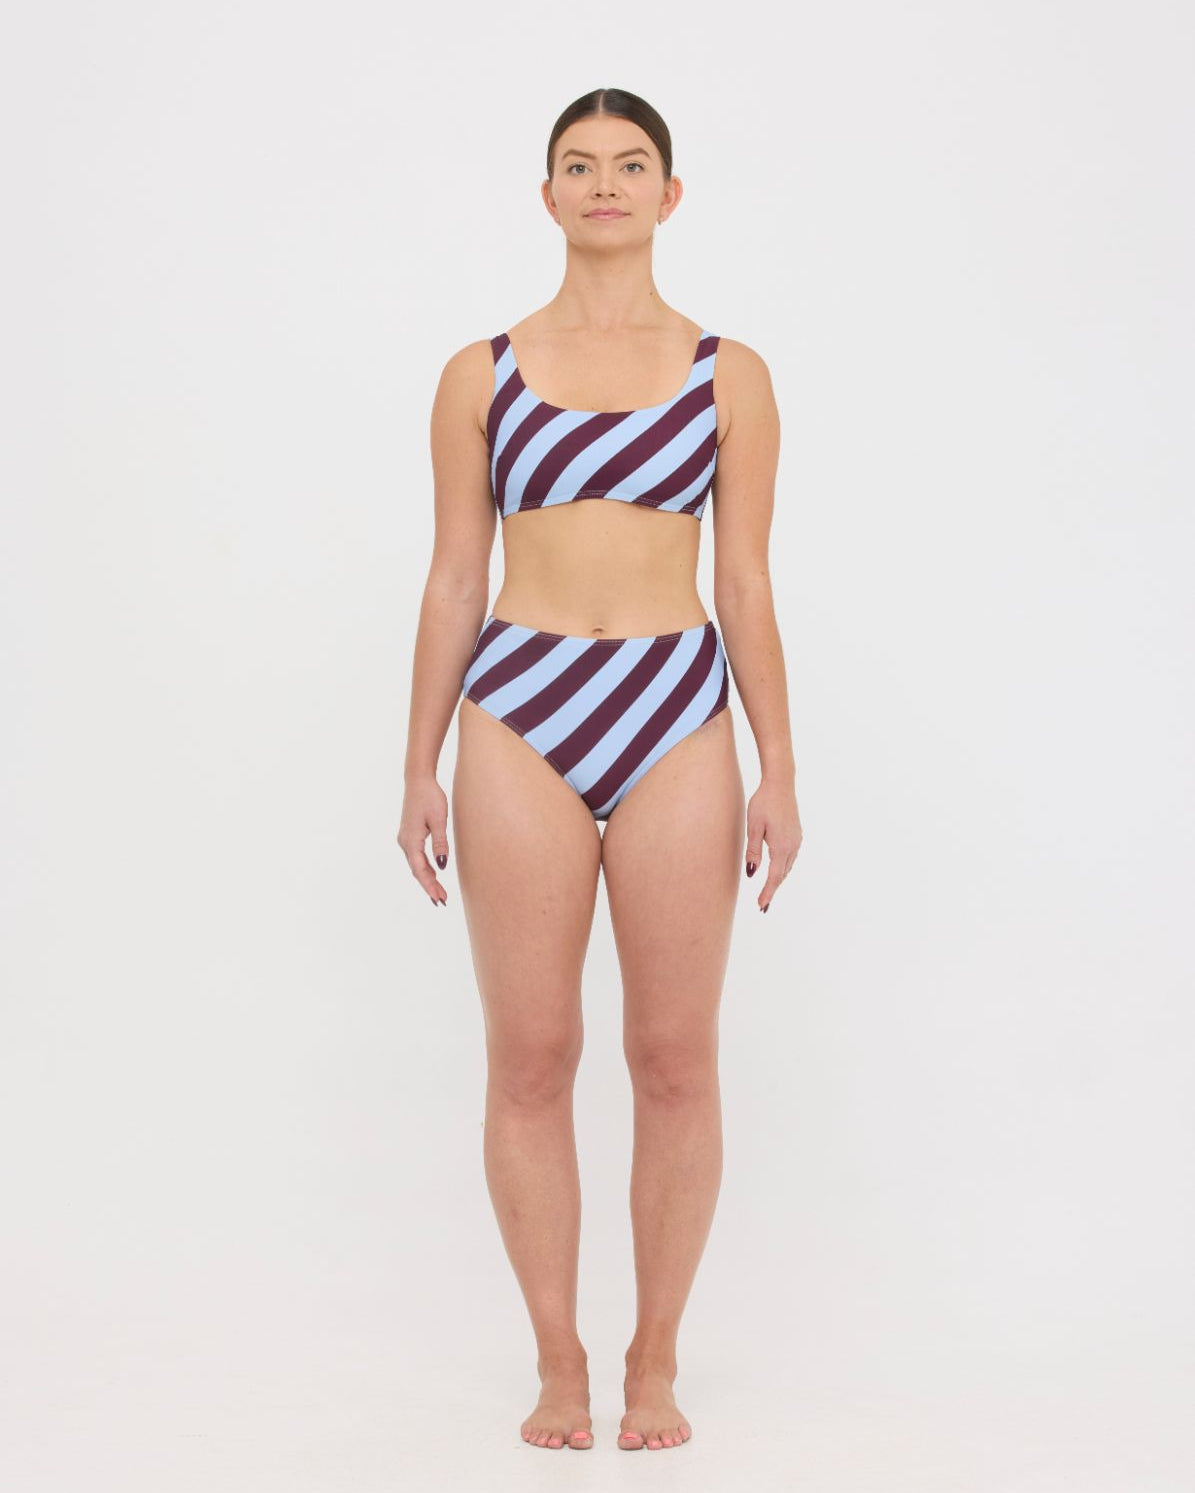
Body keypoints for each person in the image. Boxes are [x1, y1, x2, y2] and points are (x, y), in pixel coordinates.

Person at [398, 86, 803, 1452]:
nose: (606, 184)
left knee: (673, 1054)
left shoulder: (728, 372)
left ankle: (657, 1357)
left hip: (675, 707)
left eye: (632, 165)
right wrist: (418, 763)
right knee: (533, 1052)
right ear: (549, 195)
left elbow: (745, 582)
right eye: (580, 165)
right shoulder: (482, 372)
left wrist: (780, 767)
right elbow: (454, 577)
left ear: (669, 195)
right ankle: (559, 1359)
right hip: (520, 705)